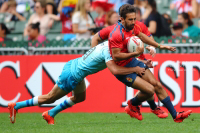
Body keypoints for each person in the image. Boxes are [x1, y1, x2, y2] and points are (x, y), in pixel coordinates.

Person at [8, 41, 146, 124]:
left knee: (80, 97)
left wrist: (143, 58)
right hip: (73, 74)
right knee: (50, 97)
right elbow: (116, 70)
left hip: (74, 65)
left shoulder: (110, 43)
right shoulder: (110, 52)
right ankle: (16, 106)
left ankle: (51, 114)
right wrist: (136, 66)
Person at [108, 4, 191, 122]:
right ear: (122, 19)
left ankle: (175, 115)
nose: (133, 22)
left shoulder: (132, 27)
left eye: (134, 19)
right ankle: (132, 104)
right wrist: (135, 54)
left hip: (132, 61)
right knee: (150, 90)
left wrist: (159, 45)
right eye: (130, 19)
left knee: (156, 84)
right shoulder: (116, 34)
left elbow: (141, 36)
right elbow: (116, 57)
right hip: (123, 70)